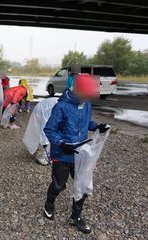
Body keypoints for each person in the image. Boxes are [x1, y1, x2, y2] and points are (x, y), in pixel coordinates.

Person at [43, 73, 110, 234]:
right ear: (77, 90)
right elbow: (49, 129)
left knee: (83, 184)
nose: (88, 97)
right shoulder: (61, 106)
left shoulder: (86, 104)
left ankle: (76, 216)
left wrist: (96, 127)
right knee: (59, 185)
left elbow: (86, 122)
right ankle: (49, 204)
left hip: (81, 153)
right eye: (86, 94)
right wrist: (60, 143)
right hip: (62, 154)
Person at [23, 97, 58, 165]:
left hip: (50, 110)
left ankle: (50, 153)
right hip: (41, 110)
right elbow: (44, 128)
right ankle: (41, 155)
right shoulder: (48, 109)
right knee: (40, 134)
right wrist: (44, 143)